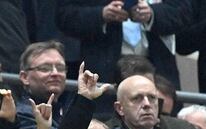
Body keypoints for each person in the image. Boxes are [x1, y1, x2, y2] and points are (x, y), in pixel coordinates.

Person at [56, 0, 192, 88]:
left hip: (157, 67)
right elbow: (64, 15)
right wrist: (101, 14)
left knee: (160, 125)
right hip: (104, 68)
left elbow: (184, 13)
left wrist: (152, 14)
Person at [3, 41, 72, 129]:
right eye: (45, 68)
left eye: (60, 68)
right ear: (24, 77)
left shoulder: (63, 112)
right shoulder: (19, 113)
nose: (55, 73)